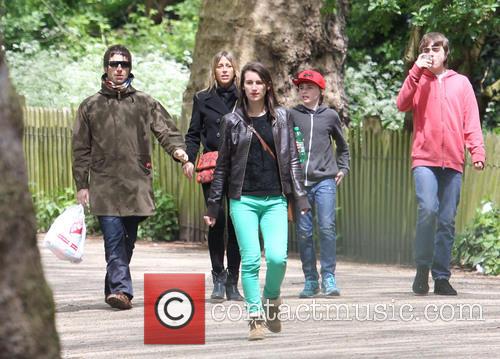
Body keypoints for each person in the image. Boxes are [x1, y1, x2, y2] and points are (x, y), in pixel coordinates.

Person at [72, 44, 188, 310]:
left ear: (130, 68)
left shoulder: (145, 102)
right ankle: (123, 291)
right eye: (114, 64)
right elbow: (80, 149)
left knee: (127, 241)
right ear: (105, 68)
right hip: (103, 183)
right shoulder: (90, 106)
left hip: (136, 182)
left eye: (124, 64)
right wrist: (82, 184)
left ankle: (113, 288)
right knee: (113, 238)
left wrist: (178, 151)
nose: (119, 68)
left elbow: (166, 131)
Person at [204, 62, 310, 341]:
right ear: (243, 87)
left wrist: (300, 198)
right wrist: (214, 205)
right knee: (250, 259)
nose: (253, 88)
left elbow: (293, 161)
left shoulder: (283, 118)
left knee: (277, 257)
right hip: (243, 200)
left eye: (258, 83)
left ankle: (271, 299)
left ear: (267, 86)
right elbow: (223, 167)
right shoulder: (231, 121)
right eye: (249, 83)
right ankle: (254, 318)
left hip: (275, 199)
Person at [396, 32, 485, 296]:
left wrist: (477, 152)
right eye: (426, 49)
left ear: (446, 53)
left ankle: (442, 277)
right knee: (427, 210)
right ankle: (422, 269)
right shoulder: (418, 80)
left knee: (446, 221)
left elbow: (471, 121)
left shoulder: (462, 83)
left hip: (454, 162)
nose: (431, 52)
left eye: (436, 48)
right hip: (424, 159)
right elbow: (401, 104)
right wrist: (415, 70)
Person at [183, 51, 243, 302]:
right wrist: (188, 158)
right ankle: (218, 277)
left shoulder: (245, 98)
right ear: (214, 70)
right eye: (220, 66)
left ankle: (233, 282)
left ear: (235, 70)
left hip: (241, 165)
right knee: (216, 221)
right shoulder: (202, 98)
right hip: (212, 166)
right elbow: (193, 133)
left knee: (239, 223)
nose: (225, 70)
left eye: (229, 65)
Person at [289, 70, 350, 298]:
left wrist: (343, 168)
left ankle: (329, 277)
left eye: (309, 87)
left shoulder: (330, 116)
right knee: (304, 233)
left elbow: (343, 147)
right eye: (301, 87)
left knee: (326, 228)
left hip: (325, 180)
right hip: (300, 185)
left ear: (319, 91)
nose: (304, 91)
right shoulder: (291, 115)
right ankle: (310, 280)